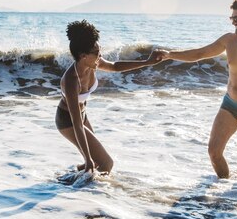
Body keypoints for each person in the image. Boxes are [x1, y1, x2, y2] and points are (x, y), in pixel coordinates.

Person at [161, 0, 237, 180]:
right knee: (214, 152)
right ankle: (222, 191)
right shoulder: (229, 41)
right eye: (232, 18)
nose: (234, 22)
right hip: (230, 104)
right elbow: (199, 53)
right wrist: (169, 55)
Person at [56, 20, 164, 175]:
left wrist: (147, 62)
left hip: (82, 116)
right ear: (83, 55)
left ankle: (68, 182)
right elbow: (76, 124)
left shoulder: (93, 64)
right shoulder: (71, 80)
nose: (100, 56)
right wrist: (87, 159)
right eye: (97, 53)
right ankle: (76, 187)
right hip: (68, 121)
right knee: (106, 164)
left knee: (98, 163)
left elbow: (114, 66)